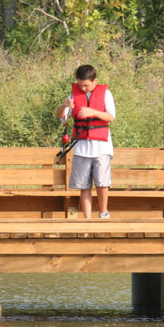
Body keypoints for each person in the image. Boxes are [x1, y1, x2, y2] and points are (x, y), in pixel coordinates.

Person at [57, 64, 115, 219]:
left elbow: (111, 117)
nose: (83, 89)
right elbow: (61, 117)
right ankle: (87, 219)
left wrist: (93, 112)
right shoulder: (73, 95)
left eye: (86, 85)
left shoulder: (106, 94)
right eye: (80, 85)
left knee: (102, 183)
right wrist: (64, 106)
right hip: (82, 147)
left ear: (95, 81)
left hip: (102, 147)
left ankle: (103, 213)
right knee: (84, 185)